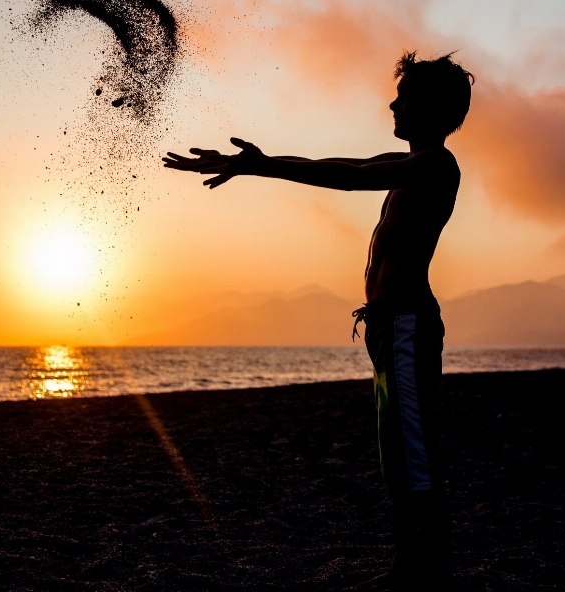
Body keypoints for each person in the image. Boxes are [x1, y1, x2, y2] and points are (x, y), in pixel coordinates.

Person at [163, 51, 473, 590]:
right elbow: (341, 166)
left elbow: (350, 181)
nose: (394, 103)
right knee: (394, 457)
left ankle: (435, 580)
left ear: (438, 107)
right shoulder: (407, 165)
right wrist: (259, 162)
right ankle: (405, 569)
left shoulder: (434, 166)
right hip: (385, 330)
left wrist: (261, 166)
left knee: (416, 457)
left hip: (407, 327)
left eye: (407, 97)